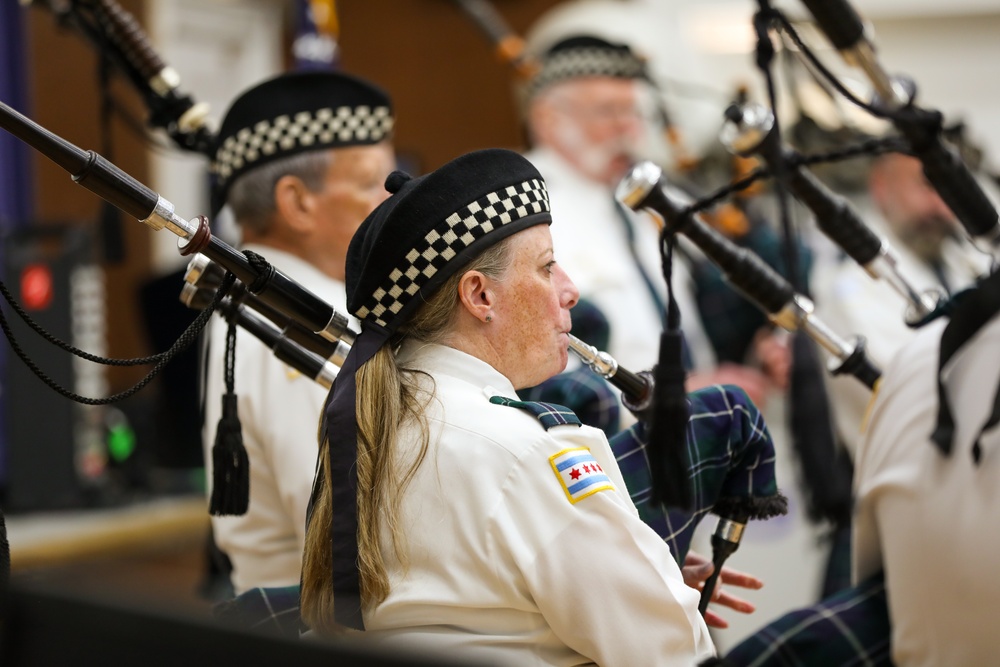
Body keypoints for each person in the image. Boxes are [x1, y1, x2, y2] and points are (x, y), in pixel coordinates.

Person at [300, 148, 719, 665]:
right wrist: (661, 589)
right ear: (479, 296)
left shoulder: (371, 428)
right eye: (546, 267)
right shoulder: (527, 451)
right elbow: (670, 650)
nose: (570, 290)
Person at [201, 70, 396, 594]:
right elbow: (350, 539)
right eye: (369, 183)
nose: (394, 202)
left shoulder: (273, 303)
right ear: (297, 202)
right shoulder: (291, 320)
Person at [520, 34, 787, 409]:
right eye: (609, 112)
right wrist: (671, 398)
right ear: (549, 120)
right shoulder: (524, 219)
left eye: (634, 113)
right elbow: (539, 376)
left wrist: (759, 352)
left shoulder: (658, 200)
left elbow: (711, 314)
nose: (629, 130)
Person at [813, 150, 991, 458]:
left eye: (950, 189)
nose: (942, 206)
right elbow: (916, 394)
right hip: (914, 480)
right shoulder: (848, 289)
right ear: (882, 188)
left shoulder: (966, 261)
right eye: (927, 186)